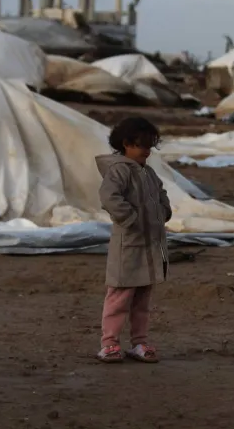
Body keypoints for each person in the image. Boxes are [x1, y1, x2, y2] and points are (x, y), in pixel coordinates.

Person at [94, 117, 172, 364]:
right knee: (119, 296)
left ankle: (139, 342)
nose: (147, 152)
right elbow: (109, 197)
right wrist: (131, 219)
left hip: (149, 248)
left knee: (142, 299)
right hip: (128, 245)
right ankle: (110, 344)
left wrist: (164, 211)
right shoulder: (119, 171)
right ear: (126, 144)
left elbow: (160, 193)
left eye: (150, 146)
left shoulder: (147, 172)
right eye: (143, 146)